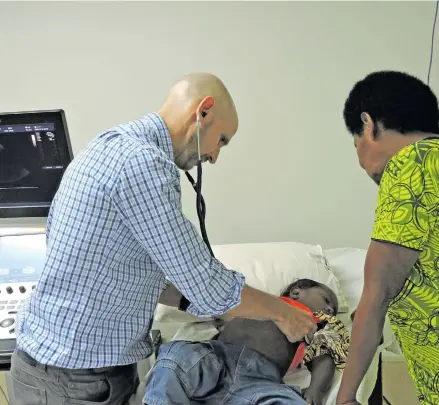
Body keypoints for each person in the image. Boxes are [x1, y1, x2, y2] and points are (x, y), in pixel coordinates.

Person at [11, 73, 317, 405]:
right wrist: (284, 313)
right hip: (72, 382)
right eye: (222, 140)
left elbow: (128, 269)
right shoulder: (143, 166)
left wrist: (191, 304)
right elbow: (208, 285)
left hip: (64, 374)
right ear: (204, 112)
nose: (214, 156)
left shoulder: (109, 146)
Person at [336, 71, 439, 405]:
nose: (363, 166)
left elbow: (377, 293)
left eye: (356, 144)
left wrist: (346, 396)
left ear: (369, 124)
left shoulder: (411, 163)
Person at [143, 279, 347, 405]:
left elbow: (324, 358)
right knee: (179, 358)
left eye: (333, 310)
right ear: (297, 291)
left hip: (262, 383)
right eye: (326, 300)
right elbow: (208, 305)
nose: (330, 310)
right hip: (217, 361)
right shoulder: (251, 304)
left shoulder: (313, 328)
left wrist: (316, 390)